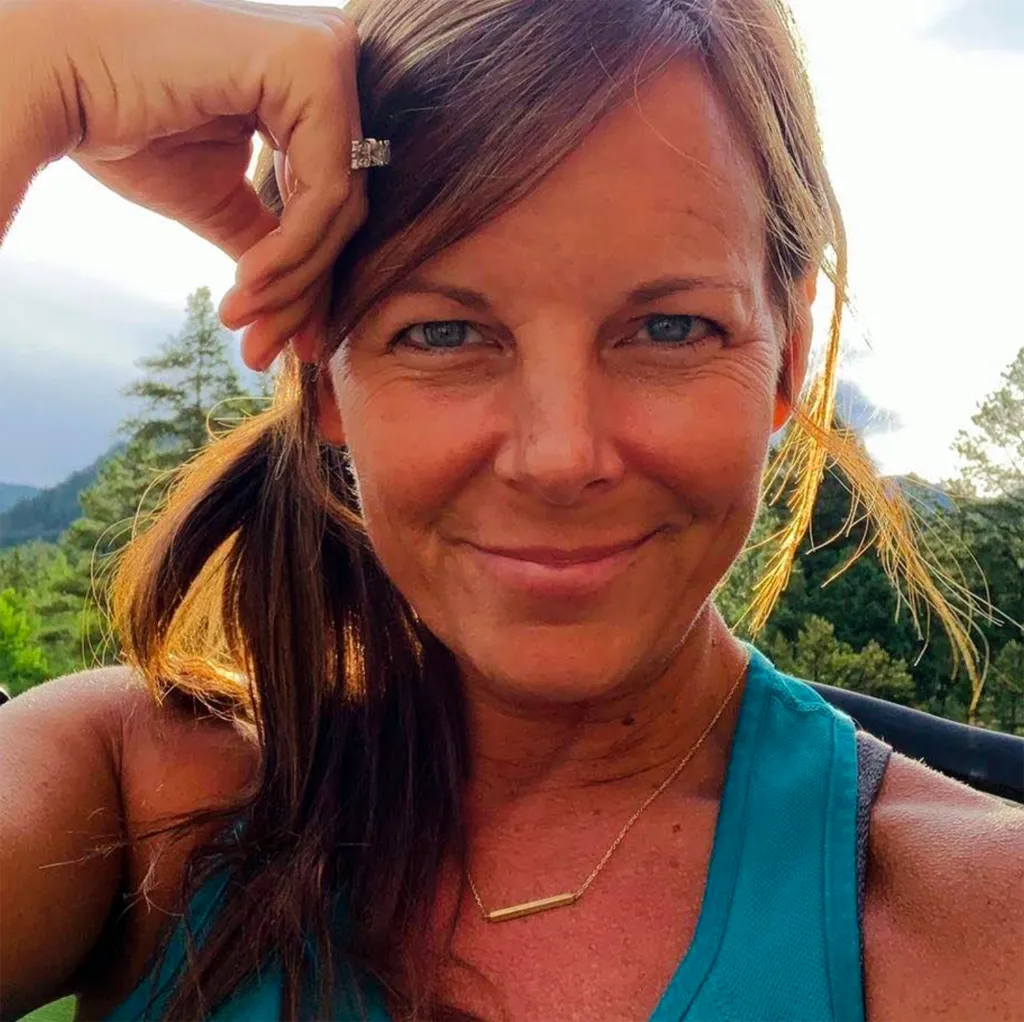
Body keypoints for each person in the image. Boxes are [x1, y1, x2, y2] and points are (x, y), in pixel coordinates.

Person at [0, 0, 1021, 1019]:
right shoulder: (132, 804)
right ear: (322, 378)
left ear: (785, 357)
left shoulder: (979, 927)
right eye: (443, 333)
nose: (560, 456)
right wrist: (34, 69)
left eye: (670, 326)